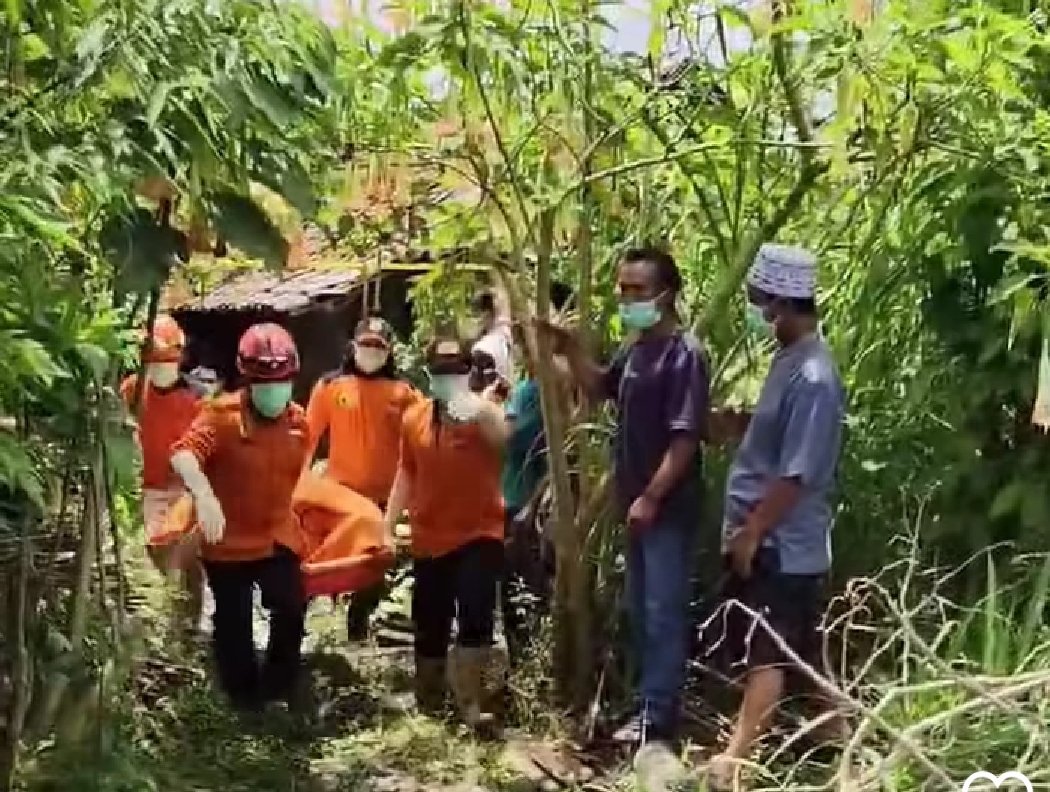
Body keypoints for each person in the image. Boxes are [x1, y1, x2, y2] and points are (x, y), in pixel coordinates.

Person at [534, 246, 710, 749]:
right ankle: (647, 705)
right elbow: (601, 387)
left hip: (666, 509)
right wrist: (567, 347)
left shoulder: (685, 355)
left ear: (667, 293)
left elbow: (685, 440)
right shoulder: (636, 349)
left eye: (637, 289)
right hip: (637, 505)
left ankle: (660, 721)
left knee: (663, 609)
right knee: (641, 607)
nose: (627, 298)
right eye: (623, 289)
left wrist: (651, 498)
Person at [703, 244, 847, 791]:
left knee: (766, 653)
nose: (754, 311)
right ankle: (847, 753)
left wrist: (753, 531)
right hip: (780, 542)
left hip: (783, 545)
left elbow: (797, 472)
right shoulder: (789, 364)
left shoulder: (814, 376)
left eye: (758, 301)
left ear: (782, 304)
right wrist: (739, 426)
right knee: (803, 655)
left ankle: (734, 763)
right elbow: (779, 441)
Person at [169, 322, 311, 713]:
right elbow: (183, 454)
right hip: (228, 541)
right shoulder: (220, 416)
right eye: (266, 382)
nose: (275, 390)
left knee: (292, 606)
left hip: (277, 536)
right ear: (248, 381)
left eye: (283, 380)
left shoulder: (299, 423)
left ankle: (280, 690)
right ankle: (243, 701)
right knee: (233, 623)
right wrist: (204, 494)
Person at [382, 334, 509, 733]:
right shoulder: (414, 418)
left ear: (467, 374)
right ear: (429, 375)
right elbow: (406, 472)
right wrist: (388, 525)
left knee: (475, 614)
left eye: (455, 372)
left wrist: (482, 412)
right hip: (429, 535)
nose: (447, 379)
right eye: (440, 373)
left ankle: (472, 703)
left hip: (479, 531)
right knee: (429, 619)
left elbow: (505, 443)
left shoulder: (483, 412)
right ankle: (430, 700)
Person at [304, 316, 423, 640]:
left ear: (388, 352)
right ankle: (295, 623)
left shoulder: (405, 393)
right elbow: (307, 439)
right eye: (366, 344)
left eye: (378, 346)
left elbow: (422, 444)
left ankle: (357, 628)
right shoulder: (329, 387)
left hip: (384, 500)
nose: (371, 351)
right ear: (353, 347)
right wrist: (297, 486)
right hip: (338, 497)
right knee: (322, 561)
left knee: (375, 568)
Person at [120, 314, 204, 633]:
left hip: (188, 490)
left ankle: (190, 626)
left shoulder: (196, 396)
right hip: (150, 488)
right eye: (155, 360)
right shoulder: (132, 389)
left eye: (167, 359)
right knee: (159, 553)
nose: (161, 367)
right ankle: (170, 623)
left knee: (188, 560)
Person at [462, 288, 514, 384]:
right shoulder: (504, 335)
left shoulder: (483, 348)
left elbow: (477, 388)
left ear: (486, 314)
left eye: (474, 316)